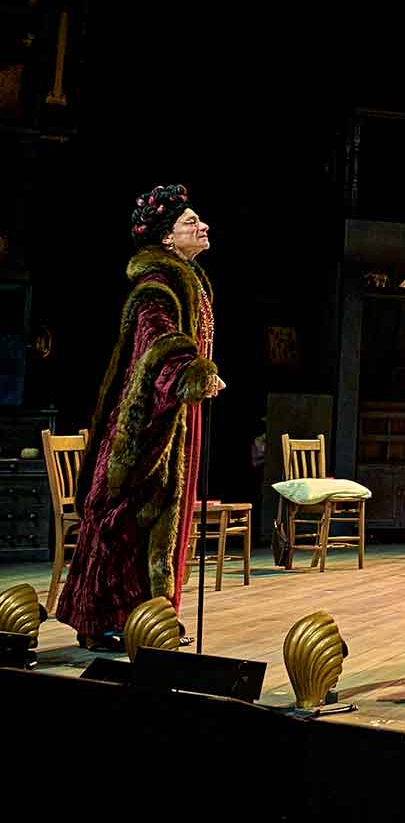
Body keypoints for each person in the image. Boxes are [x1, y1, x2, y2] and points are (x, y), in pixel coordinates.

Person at [57, 185, 223, 650]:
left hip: (175, 419)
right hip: (143, 423)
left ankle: (152, 618)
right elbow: (157, 339)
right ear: (167, 238)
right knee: (126, 517)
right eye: (191, 223)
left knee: (164, 519)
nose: (202, 227)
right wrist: (188, 369)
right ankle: (111, 618)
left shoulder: (189, 280)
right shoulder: (156, 286)